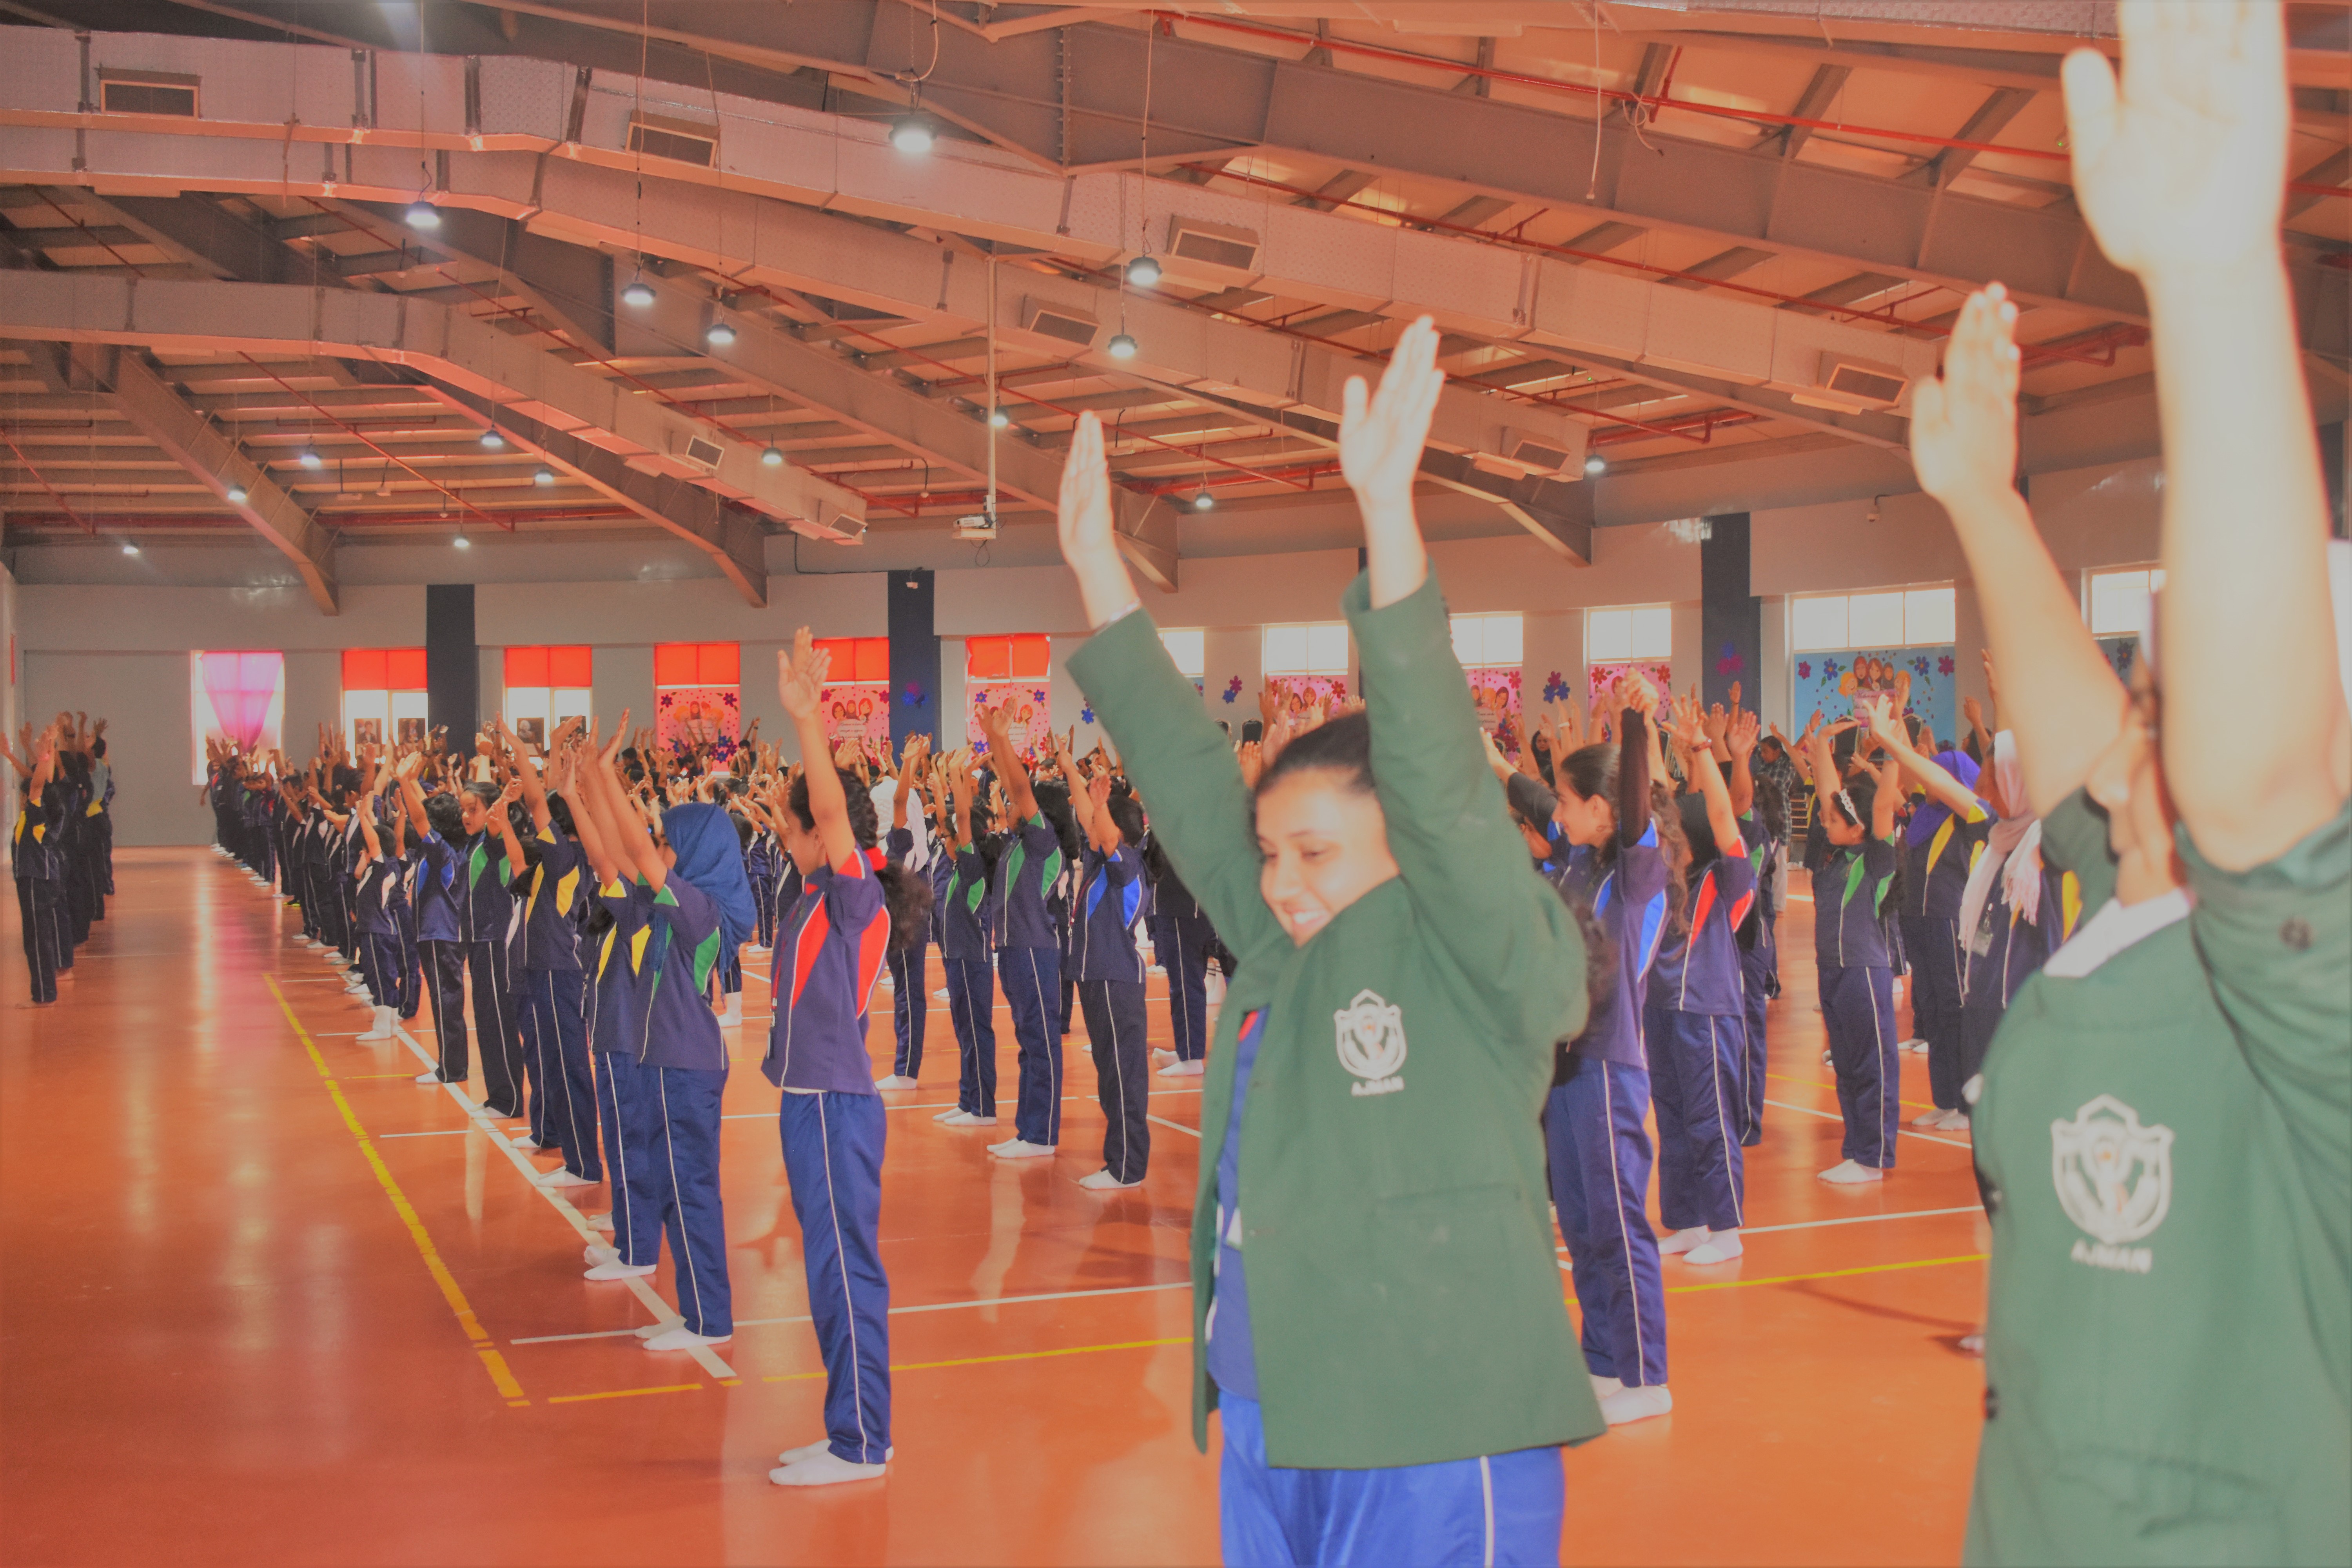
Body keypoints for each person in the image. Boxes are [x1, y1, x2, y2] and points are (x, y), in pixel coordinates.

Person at [1915, 8, 2349, 1557]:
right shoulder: (2141, 900)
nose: (2146, 738)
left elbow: (2256, 796)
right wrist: (1983, 500)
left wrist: (2215, 275)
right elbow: (2088, 752)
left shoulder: (2308, 990)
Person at [1064, 319, 1601, 1564]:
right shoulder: (1284, 952)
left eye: (1315, 853)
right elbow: (1188, 780)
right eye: (1271, 853)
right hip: (1273, 1413)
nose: (1280, 882)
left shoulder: (1481, 955)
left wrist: (1389, 517)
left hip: (1433, 1427)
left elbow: (1442, 785)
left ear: (1407, 843)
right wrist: (1096, 567)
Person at [764, 629, 933, 1487]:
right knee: (827, 1269)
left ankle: (862, 1441)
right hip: (808, 1100)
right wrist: (785, 799)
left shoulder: (857, 891)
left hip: (834, 1104)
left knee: (845, 1270)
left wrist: (810, 720)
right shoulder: (818, 890)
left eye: (792, 826)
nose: (788, 834)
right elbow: (815, 823)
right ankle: (850, 1427)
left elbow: (831, 816)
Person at [572, 720, 746, 1353]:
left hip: (686, 1067)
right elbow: (619, 855)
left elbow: (638, 854)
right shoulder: (669, 911)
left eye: (671, 842)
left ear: (696, 854)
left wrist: (604, 773)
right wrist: (589, 781)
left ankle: (710, 1320)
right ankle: (697, 1313)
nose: (660, 850)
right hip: (667, 1062)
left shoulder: (701, 913)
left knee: (691, 1193)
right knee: (677, 1192)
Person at [1546, 675, 1685, 1422]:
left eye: (1569, 800)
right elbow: (1538, 802)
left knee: (1617, 1222)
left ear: (1604, 810)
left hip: (1609, 1066)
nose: (1558, 811)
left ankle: (1645, 1375)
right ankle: (1602, 1358)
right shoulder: (1579, 865)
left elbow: (1635, 804)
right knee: (1580, 1222)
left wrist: (1635, 725)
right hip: (1567, 1065)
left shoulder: (1637, 875)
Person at [1647, 696, 1758, 1266]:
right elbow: (1653, 795)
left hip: (1707, 1012)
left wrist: (1700, 748)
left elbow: (1721, 814)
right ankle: (1688, 1220)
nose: (1662, 840)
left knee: (1710, 1119)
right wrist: (1641, 725)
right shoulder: (1660, 882)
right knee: (1672, 1117)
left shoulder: (1726, 880)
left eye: (1672, 834)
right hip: (1662, 1010)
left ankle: (1727, 1228)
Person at [1804, 719, 1904, 1184]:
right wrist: (1822, 747)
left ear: (1859, 828)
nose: (1826, 823)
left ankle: (1873, 1157)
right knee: (1846, 1066)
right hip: (1832, 972)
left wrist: (1892, 747)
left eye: (1834, 821)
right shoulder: (1832, 857)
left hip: (1864, 972)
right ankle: (1856, 1150)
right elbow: (1831, 797)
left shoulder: (1876, 859)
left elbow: (1883, 803)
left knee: (1872, 1065)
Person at [976, 701, 1069, 1161]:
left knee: (1041, 1040)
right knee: (1027, 1041)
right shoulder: (1018, 843)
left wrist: (1003, 739)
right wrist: (994, 743)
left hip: (1034, 950)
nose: (1011, 805)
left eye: (1018, 804)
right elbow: (1011, 785)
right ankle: (1029, 1129)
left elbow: (1019, 786)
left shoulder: (1042, 842)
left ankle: (1043, 1134)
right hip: (1014, 950)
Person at [1059, 747, 1153, 1191]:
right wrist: (1068, 767)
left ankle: (1127, 1167)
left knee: (1123, 1075)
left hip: (1117, 981)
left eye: (1101, 820)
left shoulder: (1127, 865)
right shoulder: (1100, 861)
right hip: (1098, 979)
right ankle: (1119, 1160)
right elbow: (1087, 817)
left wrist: (1102, 806)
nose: (1091, 826)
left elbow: (1109, 838)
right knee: (1109, 1071)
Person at [935, 752, 1001, 1128]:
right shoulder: (959, 869)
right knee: (965, 1032)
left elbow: (961, 818)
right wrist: (945, 782)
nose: (944, 839)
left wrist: (959, 775)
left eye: (949, 837)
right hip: (956, 960)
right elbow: (953, 820)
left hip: (972, 962)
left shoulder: (974, 869)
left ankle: (984, 1109)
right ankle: (967, 1100)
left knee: (977, 1032)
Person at [875, 736, 933, 1090]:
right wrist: (898, 765)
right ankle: (905, 1068)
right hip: (903, 905)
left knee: (909, 990)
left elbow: (899, 799)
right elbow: (902, 797)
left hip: (905, 910)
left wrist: (909, 762)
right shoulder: (899, 838)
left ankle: (907, 1071)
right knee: (905, 988)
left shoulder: (900, 839)